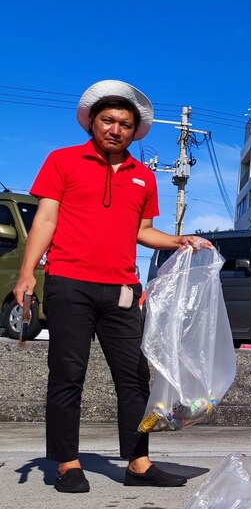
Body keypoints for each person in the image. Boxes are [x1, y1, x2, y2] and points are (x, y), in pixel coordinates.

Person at [12, 80, 212, 494]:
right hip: (69, 283)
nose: (115, 129)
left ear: (135, 131)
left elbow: (144, 231)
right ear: (92, 122)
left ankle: (138, 463)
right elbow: (45, 219)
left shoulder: (144, 177)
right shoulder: (63, 160)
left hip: (121, 288)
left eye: (125, 124)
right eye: (108, 120)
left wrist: (180, 240)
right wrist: (27, 272)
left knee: (134, 377)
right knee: (68, 374)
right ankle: (68, 464)